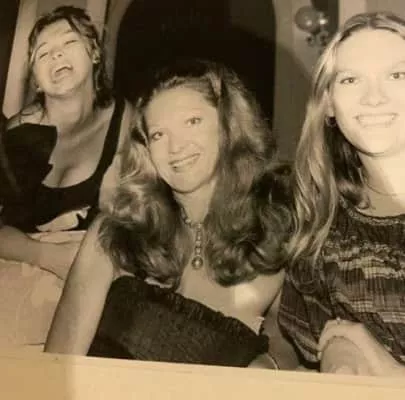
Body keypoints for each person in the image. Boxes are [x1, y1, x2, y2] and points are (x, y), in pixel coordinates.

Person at [44, 59, 298, 369]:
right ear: (146, 148)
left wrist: (268, 365)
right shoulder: (114, 232)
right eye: (158, 135)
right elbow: (57, 364)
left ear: (228, 126)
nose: (175, 147)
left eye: (192, 121)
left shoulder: (279, 232)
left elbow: (287, 343)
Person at [278, 11, 405, 376]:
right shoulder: (323, 225)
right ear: (329, 104)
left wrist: (387, 371)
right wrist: (339, 351)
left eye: (397, 75)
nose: (374, 98)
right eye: (351, 80)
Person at [0, 5, 132, 349]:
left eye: (68, 42)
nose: (56, 54)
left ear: (94, 52)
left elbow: (131, 223)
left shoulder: (127, 122)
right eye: (43, 52)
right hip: (18, 274)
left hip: (93, 287)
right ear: (35, 78)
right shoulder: (18, 133)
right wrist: (46, 257)